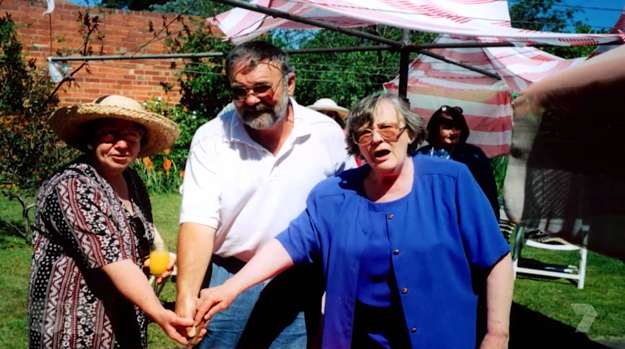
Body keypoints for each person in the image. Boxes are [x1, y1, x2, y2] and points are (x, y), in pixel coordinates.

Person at [194, 93, 514, 349]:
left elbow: (496, 258)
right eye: (364, 133)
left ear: (410, 132)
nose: (376, 139)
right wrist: (230, 288)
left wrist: (497, 335)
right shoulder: (334, 193)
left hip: (439, 339)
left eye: (387, 128)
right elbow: (289, 243)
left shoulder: (451, 181)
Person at [175, 41, 356, 348]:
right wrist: (186, 296)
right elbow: (197, 221)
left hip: (298, 280)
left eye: (262, 88)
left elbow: (349, 210)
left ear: (290, 83)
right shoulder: (211, 138)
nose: (250, 99)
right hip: (227, 276)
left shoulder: (327, 135)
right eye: (238, 91)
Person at [28, 95, 196, 349]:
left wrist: (160, 256)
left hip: (123, 319)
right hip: (71, 325)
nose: (121, 145)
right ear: (90, 137)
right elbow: (113, 260)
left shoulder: (132, 181)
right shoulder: (73, 186)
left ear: (141, 142)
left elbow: (143, 236)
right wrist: (161, 314)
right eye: (109, 133)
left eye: (131, 135)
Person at [417, 105, 500, 220]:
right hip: (426, 218)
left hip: (462, 219)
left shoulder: (473, 156)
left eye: (457, 128)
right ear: (436, 129)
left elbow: (488, 193)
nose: (453, 132)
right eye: (447, 127)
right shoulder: (422, 155)